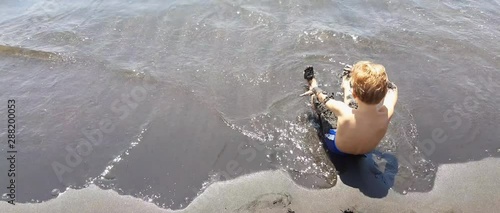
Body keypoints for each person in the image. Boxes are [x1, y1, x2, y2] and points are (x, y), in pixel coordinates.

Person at [301, 61, 398, 156]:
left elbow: (324, 99)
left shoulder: (343, 111)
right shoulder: (385, 115)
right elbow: (393, 88)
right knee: (352, 106)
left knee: (322, 106)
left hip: (336, 148)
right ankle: (347, 84)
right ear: (384, 93)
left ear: (355, 94)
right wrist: (378, 81)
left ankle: (312, 82)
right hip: (364, 151)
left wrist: (316, 90)